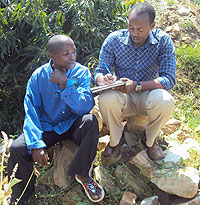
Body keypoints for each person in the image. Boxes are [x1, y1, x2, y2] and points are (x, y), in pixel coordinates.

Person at [8, 34, 104, 204]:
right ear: (52, 56)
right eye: (66, 53)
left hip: (72, 123)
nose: (72, 56)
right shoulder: (38, 77)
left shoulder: (81, 73)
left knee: (90, 121)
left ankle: (83, 174)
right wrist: (36, 144)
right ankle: (22, 197)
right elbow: (32, 111)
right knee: (17, 148)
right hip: (48, 127)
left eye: (73, 52)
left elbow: (84, 106)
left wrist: (65, 83)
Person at [94, 2, 176, 161]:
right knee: (106, 98)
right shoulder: (114, 40)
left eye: (140, 29)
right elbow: (99, 72)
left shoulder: (163, 41)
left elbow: (169, 79)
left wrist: (137, 85)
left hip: (148, 96)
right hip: (123, 97)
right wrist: (103, 79)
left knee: (165, 101)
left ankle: (150, 141)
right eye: (131, 27)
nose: (134, 33)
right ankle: (116, 141)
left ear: (152, 26)